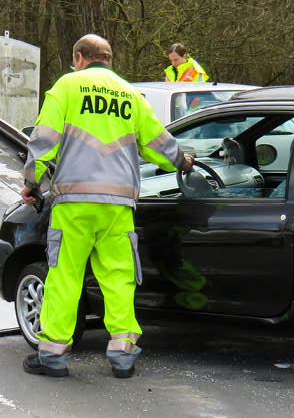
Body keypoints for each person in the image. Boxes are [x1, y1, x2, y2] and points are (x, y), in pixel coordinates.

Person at [20, 33, 192, 379]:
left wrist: (32, 182)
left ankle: (53, 354)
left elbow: (44, 140)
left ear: (80, 58)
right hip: (118, 204)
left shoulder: (67, 87)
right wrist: (182, 161)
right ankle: (122, 354)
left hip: (74, 202)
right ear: (109, 59)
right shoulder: (131, 95)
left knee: (65, 276)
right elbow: (158, 142)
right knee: (119, 278)